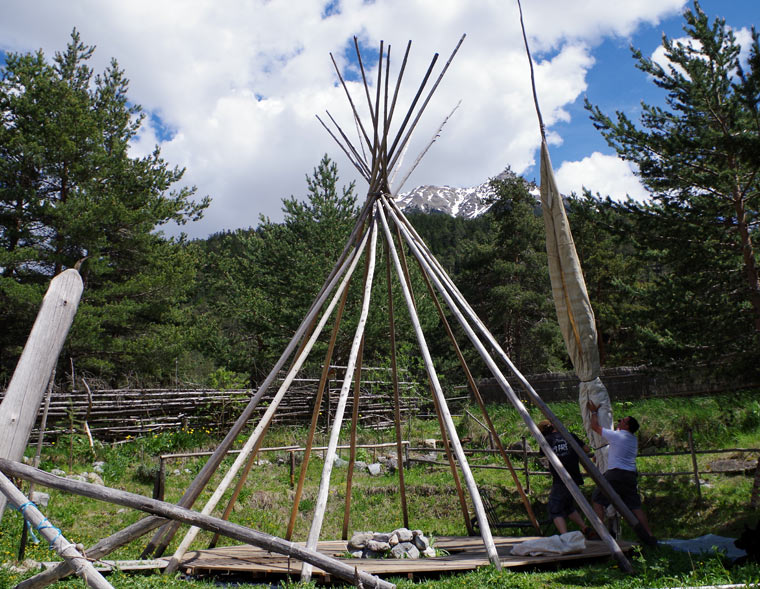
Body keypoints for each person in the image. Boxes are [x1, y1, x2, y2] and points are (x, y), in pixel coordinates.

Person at [586, 401, 654, 541]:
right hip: (630, 475)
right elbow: (617, 437)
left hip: (615, 474)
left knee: (597, 499)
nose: (619, 422)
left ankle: (600, 533)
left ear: (626, 426)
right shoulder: (632, 439)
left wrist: (593, 412)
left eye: (622, 421)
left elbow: (594, 427)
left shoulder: (617, 436)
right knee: (635, 506)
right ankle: (649, 535)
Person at [538, 419, 598, 539]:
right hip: (574, 476)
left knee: (554, 508)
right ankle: (585, 528)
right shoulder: (570, 436)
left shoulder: (547, 441)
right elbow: (586, 449)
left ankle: (565, 537)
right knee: (567, 507)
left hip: (561, 479)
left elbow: (542, 453)